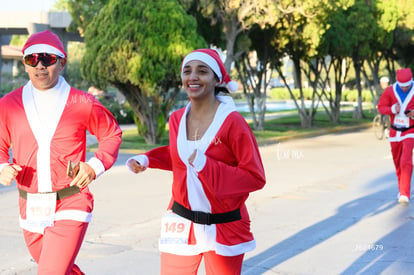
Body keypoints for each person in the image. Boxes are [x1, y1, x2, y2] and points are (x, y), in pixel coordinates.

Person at [126, 48, 266, 275]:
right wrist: (147, 158)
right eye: (187, 71)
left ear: (216, 79)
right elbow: (180, 156)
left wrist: (206, 166)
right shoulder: (176, 119)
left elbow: (255, 177)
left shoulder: (233, 123)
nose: (193, 77)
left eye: (202, 71)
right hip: (181, 221)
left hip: (225, 224)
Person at [0, 30, 122, 274]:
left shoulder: (82, 102)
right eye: (32, 59)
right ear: (25, 64)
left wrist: (94, 166)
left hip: (71, 200)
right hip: (30, 205)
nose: (40, 65)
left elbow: (111, 134)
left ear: (62, 62)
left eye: (48, 58)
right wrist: (2, 167)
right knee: (60, 269)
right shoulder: (8, 104)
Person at [378, 68, 414, 205]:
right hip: (394, 133)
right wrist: (392, 109)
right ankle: (402, 189)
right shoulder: (390, 91)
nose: (405, 88)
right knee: (398, 162)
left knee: (406, 160)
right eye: (402, 86)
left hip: (410, 131)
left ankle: (404, 193)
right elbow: (381, 107)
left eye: (407, 86)